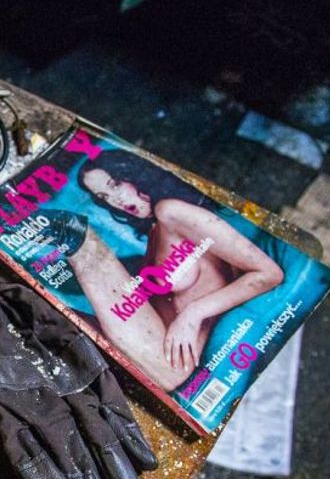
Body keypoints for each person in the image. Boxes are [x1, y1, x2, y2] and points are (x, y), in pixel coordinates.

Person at [59, 150, 285, 392]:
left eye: (115, 184)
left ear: (133, 174)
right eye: (104, 196)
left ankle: (66, 232)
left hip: (172, 366)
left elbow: (268, 273)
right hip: (153, 353)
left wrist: (193, 314)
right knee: (61, 313)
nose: (116, 200)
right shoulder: (154, 232)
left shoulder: (171, 211)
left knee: (79, 243)